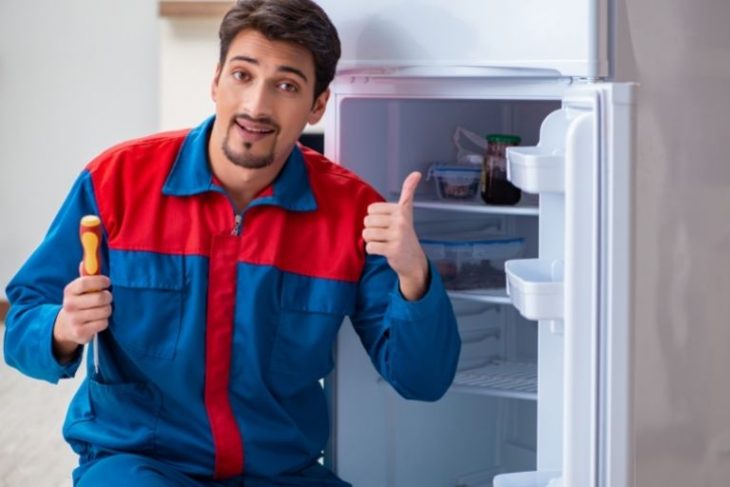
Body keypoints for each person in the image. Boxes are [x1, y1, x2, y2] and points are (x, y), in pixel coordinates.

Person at [3, 0, 461, 485]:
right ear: (216, 80)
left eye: (287, 86)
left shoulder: (352, 214)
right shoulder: (116, 181)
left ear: (318, 105)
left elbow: (422, 381)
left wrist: (415, 275)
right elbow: (21, 325)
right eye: (243, 75)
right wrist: (61, 327)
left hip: (282, 474)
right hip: (142, 467)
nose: (257, 106)